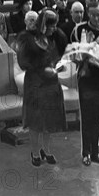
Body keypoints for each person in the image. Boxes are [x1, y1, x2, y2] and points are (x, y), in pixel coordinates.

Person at [17, 9, 67, 167]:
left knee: (50, 120)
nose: (54, 29)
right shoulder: (25, 38)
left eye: (55, 26)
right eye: (51, 26)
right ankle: (35, 151)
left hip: (51, 83)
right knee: (36, 120)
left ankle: (46, 149)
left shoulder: (52, 37)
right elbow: (23, 62)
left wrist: (58, 66)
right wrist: (42, 69)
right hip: (35, 83)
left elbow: (57, 55)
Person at [71, 0, 99, 166]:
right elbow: (75, 55)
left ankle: (96, 151)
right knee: (87, 116)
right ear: (88, 14)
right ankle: (86, 152)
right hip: (86, 77)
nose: (96, 18)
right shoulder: (79, 29)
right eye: (93, 15)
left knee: (98, 116)